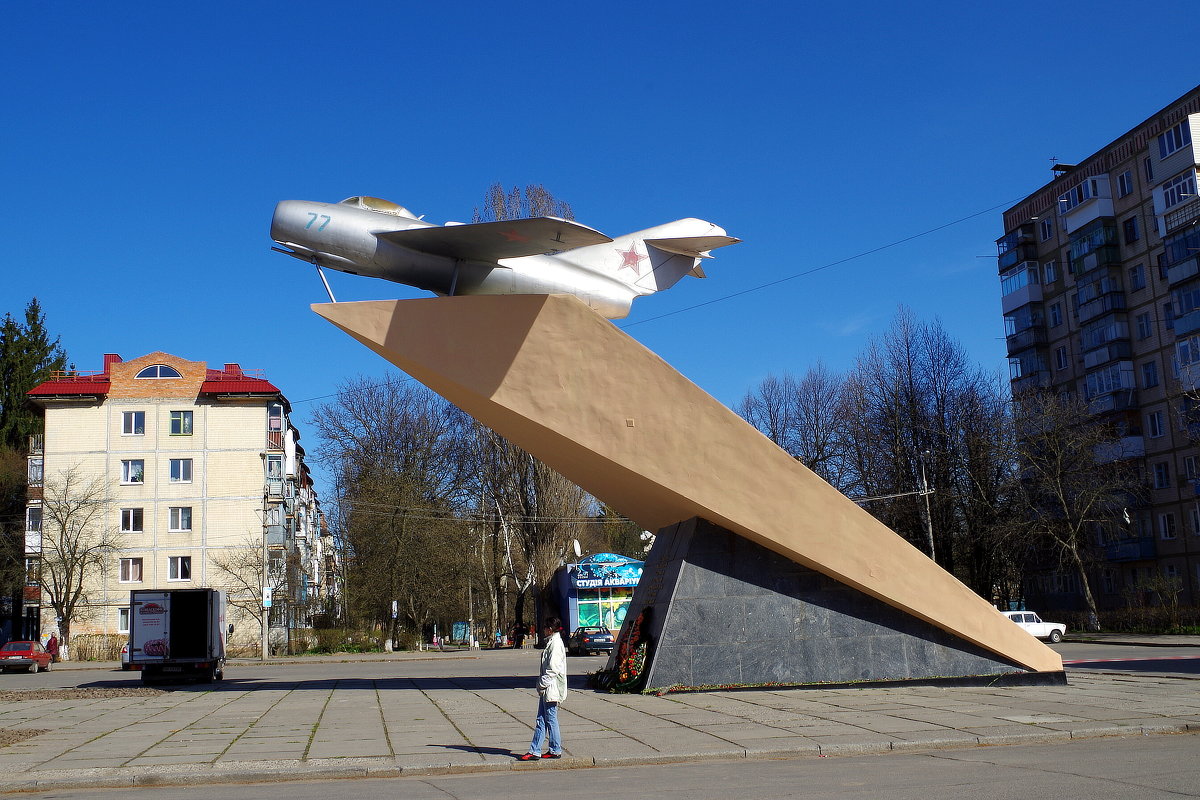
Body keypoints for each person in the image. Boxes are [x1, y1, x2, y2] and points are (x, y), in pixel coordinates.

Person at [518, 617, 567, 761]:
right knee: (542, 719)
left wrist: (541, 684)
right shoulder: (552, 642)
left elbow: (553, 670)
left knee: (550, 719)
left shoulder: (556, 644)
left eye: (545, 627)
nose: (543, 630)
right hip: (548, 689)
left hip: (551, 688)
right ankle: (539, 750)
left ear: (550, 629)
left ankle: (552, 749)